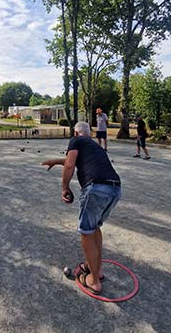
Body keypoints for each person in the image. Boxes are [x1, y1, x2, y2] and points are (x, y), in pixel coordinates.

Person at [42, 121, 121, 295]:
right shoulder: (94, 146)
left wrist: (65, 187)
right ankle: (97, 271)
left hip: (96, 189)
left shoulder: (76, 141)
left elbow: (71, 164)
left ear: (76, 133)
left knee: (86, 231)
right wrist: (56, 161)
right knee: (95, 229)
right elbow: (75, 161)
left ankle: (93, 281)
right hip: (115, 189)